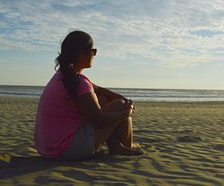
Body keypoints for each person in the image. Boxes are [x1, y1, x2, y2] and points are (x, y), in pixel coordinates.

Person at [34, 30, 143, 160]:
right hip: (65, 149)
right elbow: (99, 121)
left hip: (49, 148)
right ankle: (125, 146)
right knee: (120, 106)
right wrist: (125, 113)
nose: (94, 55)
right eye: (93, 51)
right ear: (81, 53)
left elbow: (100, 90)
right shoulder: (78, 82)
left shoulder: (65, 77)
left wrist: (125, 100)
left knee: (104, 100)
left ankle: (117, 146)